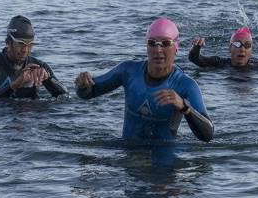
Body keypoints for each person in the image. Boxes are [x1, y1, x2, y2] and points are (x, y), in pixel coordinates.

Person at [75, 18, 214, 142]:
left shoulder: (186, 85)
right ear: (146, 46)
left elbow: (208, 135)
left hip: (165, 159)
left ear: (176, 47)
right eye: (152, 43)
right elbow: (88, 93)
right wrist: (83, 86)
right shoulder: (128, 71)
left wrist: (184, 107)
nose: (158, 49)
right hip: (128, 152)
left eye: (165, 43)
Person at [0, 15, 67, 99]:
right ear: (8, 42)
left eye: (30, 44)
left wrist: (48, 80)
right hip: (3, 114)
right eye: (21, 44)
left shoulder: (39, 66)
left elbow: (65, 97)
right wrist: (15, 85)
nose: (26, 50)